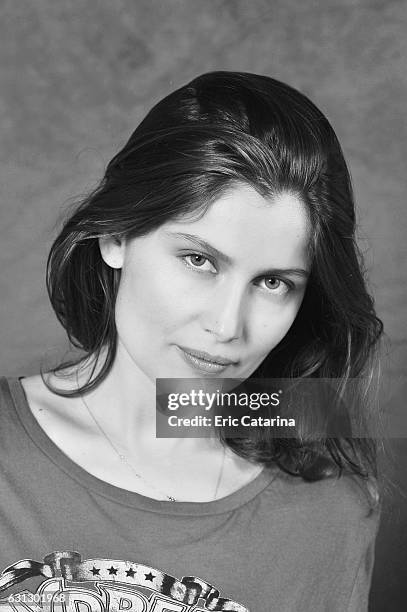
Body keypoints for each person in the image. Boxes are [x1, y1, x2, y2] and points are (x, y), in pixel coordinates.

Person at [0, 71, 383, 611]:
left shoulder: (329, 515)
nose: (228, 325)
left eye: (273, 283)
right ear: (116, 235)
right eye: (198, 260)